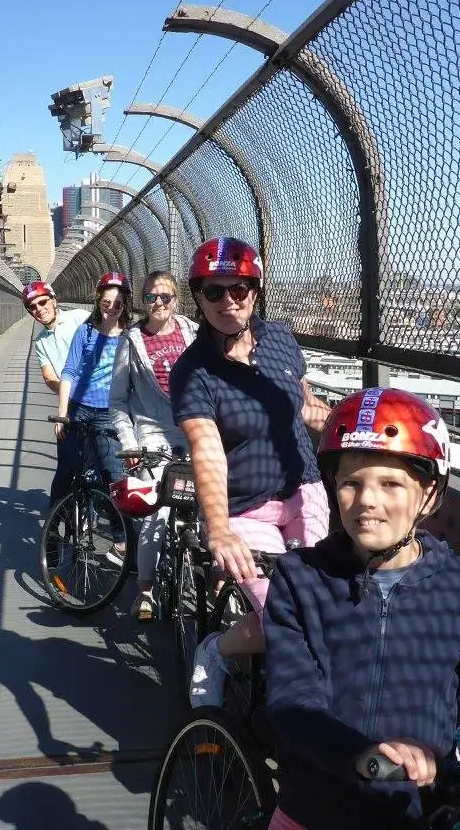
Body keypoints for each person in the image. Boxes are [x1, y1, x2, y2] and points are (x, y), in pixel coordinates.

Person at [263, 387, 460, 830]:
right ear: (332, 487)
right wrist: (365, 757)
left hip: (417, 811)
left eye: (391, 484)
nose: (367, 502)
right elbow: (293, 702)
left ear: (429, 494)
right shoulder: (299, 578)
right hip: (314, 808)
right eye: (351, 483)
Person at [169, 237, 332, 707]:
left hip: (305, 492)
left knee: (327, 603)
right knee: (279, 613)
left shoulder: (280, 339)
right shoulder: (194, 371)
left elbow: (303, 407)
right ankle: (214, 651)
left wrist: (354, 425)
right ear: (197, 298)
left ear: (255, 290)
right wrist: (218, 529)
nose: (227, 301)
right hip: (245, 509)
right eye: (213, 291)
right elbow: (206, 450)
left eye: (238, 288)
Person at [108, 271, 198, 620]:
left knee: (210, 505)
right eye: (151, 298)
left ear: (176, 300)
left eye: (166, 297)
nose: (159, 304)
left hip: (192, 429)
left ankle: (218, 585)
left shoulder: (192, 333)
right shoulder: (131, 340)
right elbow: (117, 400)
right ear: (143, 301)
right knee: (158, 510)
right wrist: (130, 443)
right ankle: (145, 592)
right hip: (151, 435)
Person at [55, 272, 133, 562]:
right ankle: (67, 528)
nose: (111, 308)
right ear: (98, 301)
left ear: (125, 304)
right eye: (106, 302)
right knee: (77, 472)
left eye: (118, 303)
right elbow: (69, 371)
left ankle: (122, 541)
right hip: (79, 408)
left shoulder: (129, 337)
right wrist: (63, 413)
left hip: (108, 413)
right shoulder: (86, 332)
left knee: (114, 474)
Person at [23, 280, 89, 510]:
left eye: (43, 302)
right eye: (33, 307)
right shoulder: (41, 341)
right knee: (66, 468)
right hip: (70, 405)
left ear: (53, 300)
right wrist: (67, 393)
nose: (39, 309)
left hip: (101, 402)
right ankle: (52, 531)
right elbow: (49, 377)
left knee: (104, 467)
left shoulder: (79, 317)